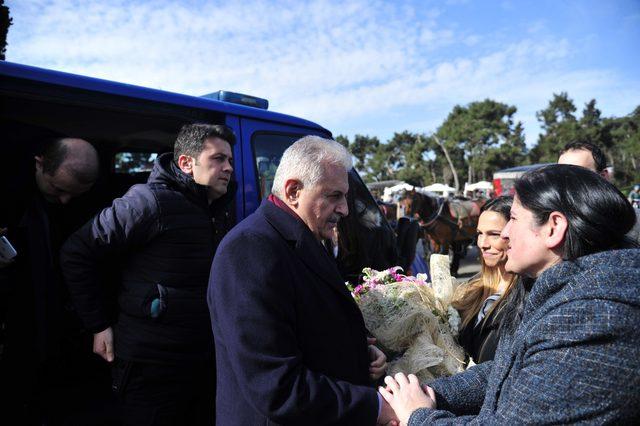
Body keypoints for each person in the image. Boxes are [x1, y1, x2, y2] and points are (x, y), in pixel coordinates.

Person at [379, 164, 640, 424]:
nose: (505, 233)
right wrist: (427, 393)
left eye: (513, 219)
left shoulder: (590, 317)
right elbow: (506, 370)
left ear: (553, 227)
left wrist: (419, 417)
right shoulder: (561, 290)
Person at [208, 135, 394, 425]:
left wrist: (360, 351)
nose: (345, 209)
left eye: (345, 196)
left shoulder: (302, 237)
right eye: (334, 196)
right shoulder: (249, 250)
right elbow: (276, 387)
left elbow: (307, 327)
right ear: (294, 191)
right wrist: (378, 406)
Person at [60, 123, 236, 425]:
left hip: (198, 361)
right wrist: (98, 324)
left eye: (230, 160)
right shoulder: (149, 201)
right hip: (150, 365)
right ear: (186, 163)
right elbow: (77, 251)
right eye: (218, 159)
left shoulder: (216, 208)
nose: (228, 168)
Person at [0, 137, 103, 423]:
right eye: (58, 189)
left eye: (74, 194)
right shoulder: (10, 196)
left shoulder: (69, 208)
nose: (64, 200)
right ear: (39, 164)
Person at [452, 196, 521, 364]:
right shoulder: (473, 286)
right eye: (480, 234)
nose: (483, 243)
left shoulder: (524, 297)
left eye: (494, 235)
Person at [557, 141, 640, 243]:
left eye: (580, 174)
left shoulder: (635, 222)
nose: (569, 182)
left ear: (603, 176)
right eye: (561, 176)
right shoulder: (552, 225)